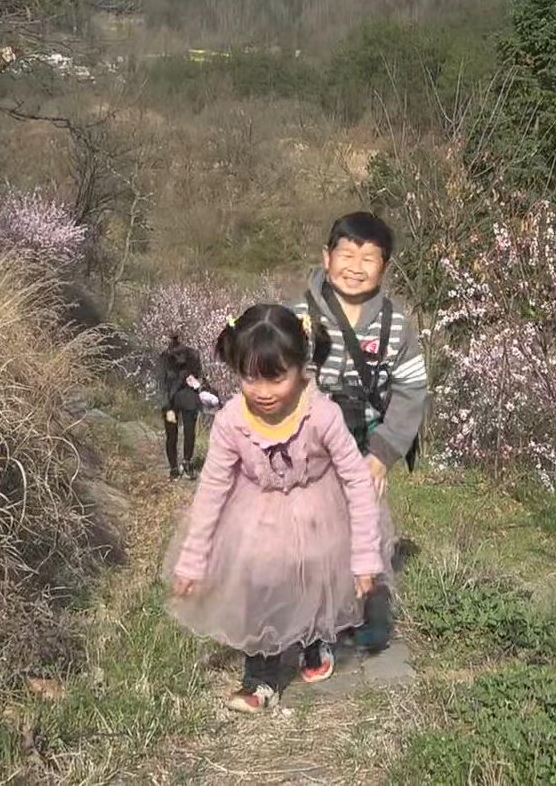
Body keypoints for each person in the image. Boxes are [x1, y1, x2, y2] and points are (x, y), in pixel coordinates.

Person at [164, 304, 385, 713]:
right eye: (250, 377)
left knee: (311, 577)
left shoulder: (322, 414)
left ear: (302, 368)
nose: (263, 391)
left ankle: (313, 640)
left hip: (318, 507)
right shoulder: (232, 421)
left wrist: (364, 555)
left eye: (276, 377)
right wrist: (194, 560)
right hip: (257, 512)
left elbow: (355, 481)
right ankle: (260, 678)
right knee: (261, 585)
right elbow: (213, 488)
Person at [292, 212, 428, 652]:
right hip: (311, 442)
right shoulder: (299, 317)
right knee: (310, 530)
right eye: (346, 254)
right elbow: (279, 378)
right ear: (326, 258)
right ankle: (318, 620)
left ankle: (370, 613)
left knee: (368, 527)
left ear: (384, 266)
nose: (355, 266)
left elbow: (411, 390)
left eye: (368, 258)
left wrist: (383, 453)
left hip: (366, 438)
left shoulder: (397, 325)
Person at [156, 332, 206, 480]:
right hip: (183, 401)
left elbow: (161, 382)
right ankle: (185, 463)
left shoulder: (164, 358)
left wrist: (165, 402)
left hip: (172, 403)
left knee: (173, 434)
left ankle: (175, 468)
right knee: (185, 433)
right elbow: (199, 376)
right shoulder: (192, 355)